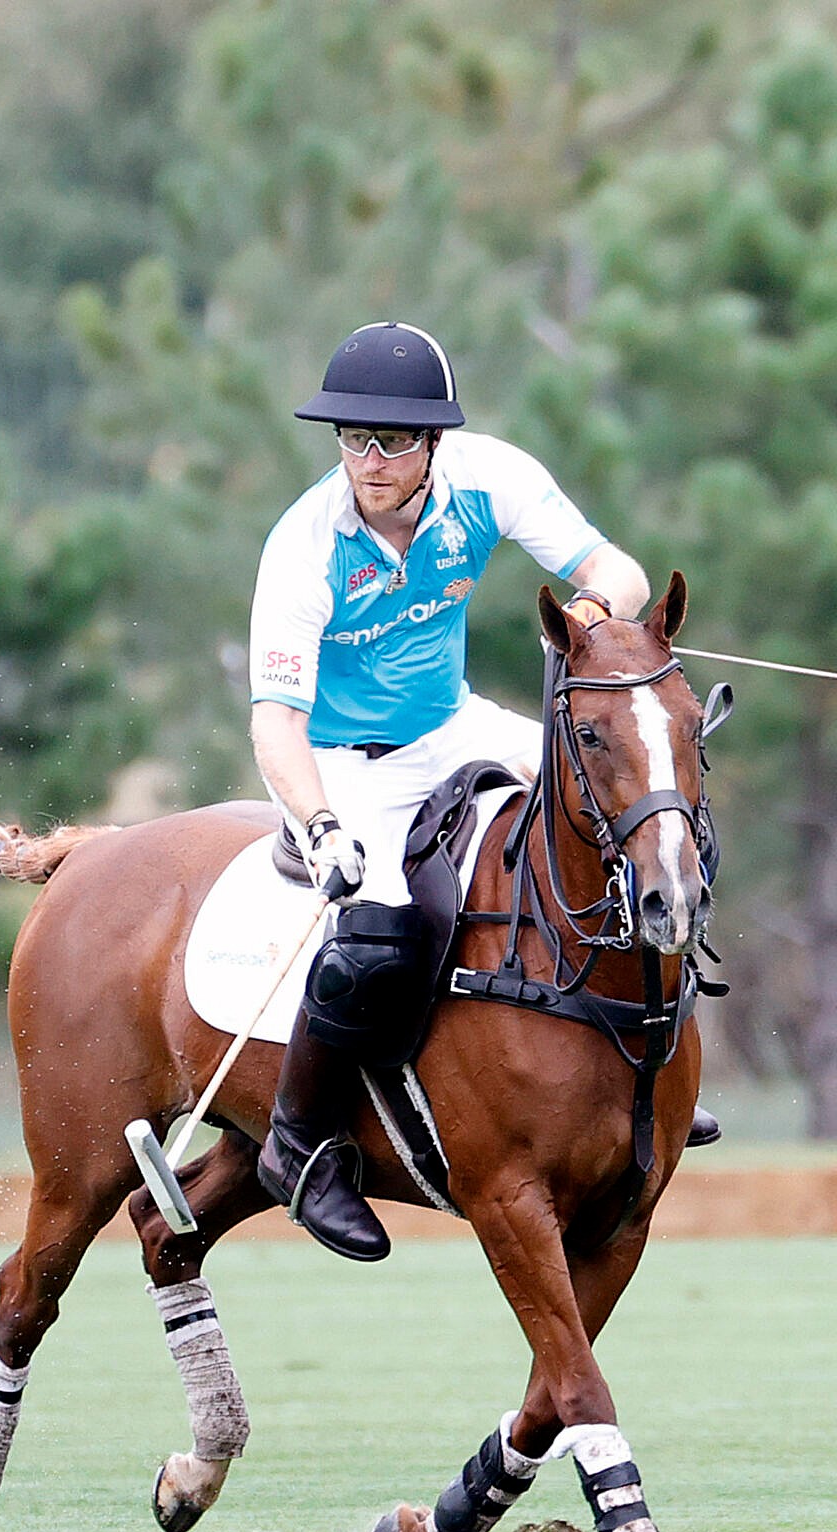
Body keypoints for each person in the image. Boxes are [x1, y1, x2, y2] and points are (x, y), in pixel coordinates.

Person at [246, 321, 656, 1261]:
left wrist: (595, 609)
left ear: (435, 443)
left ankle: (637, 1070)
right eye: (354, 439)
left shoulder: (490, 479)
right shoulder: (305, 543)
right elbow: (274, 722)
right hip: (342, 757)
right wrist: (320, 825)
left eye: (392, 440)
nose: (371, 459)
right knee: (380, 933)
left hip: (452, 724)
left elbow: (618, 572)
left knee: (620, 825)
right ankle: (301, 1145)